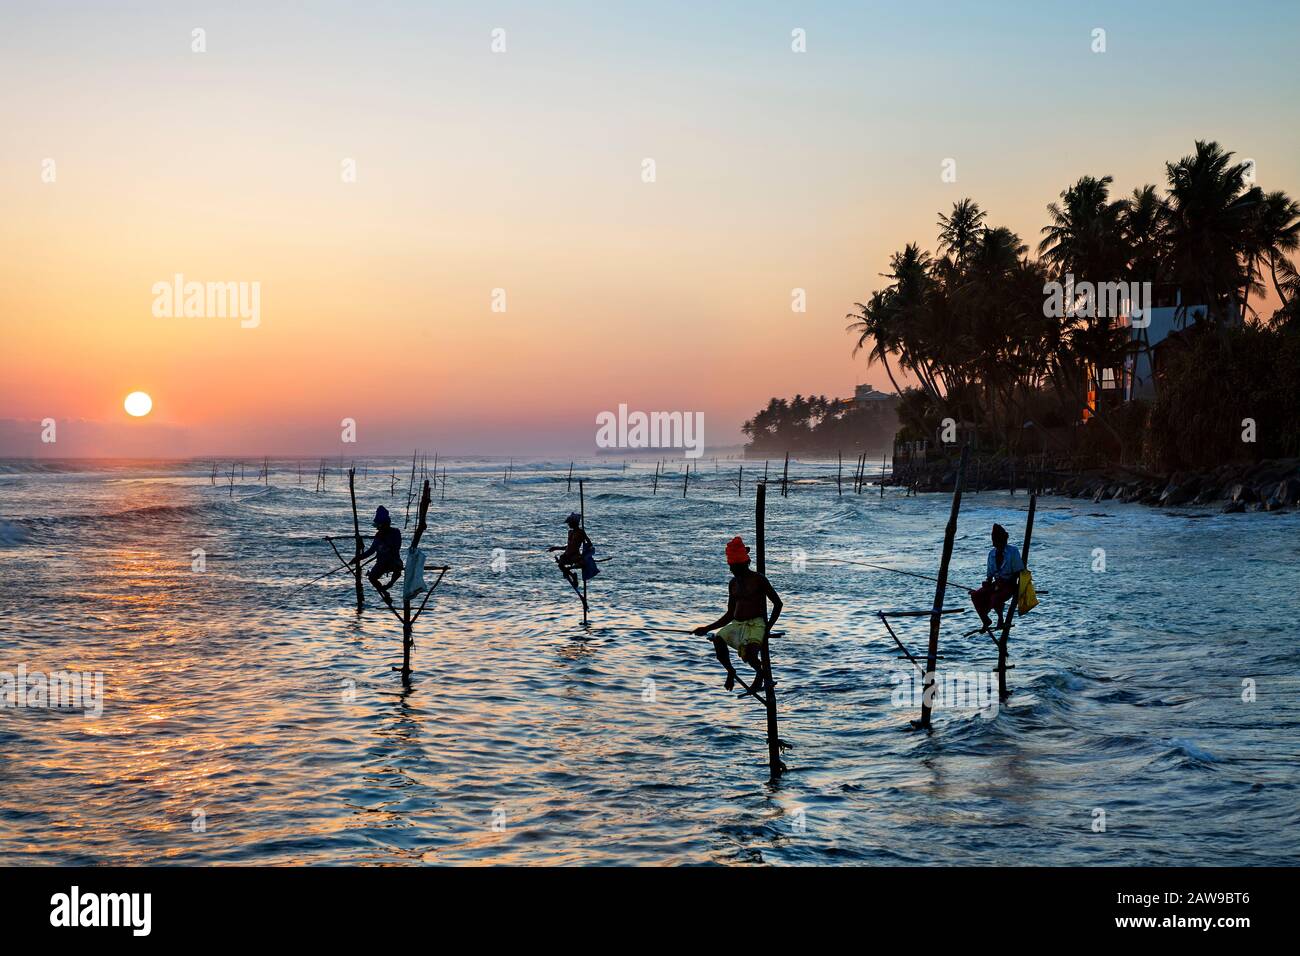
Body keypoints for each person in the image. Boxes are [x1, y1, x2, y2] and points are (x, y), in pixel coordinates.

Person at [693, 536, 783, 693]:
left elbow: (778, 604)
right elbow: (729, 614)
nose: (730, 570)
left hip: (757, 624)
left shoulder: (758, 579)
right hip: (737, 624)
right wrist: (706, 628)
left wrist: (768, 627)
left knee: (750, 654)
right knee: (718, 640)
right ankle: (731, 671)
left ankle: (761, 677)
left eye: (733, 567)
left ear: (742, 564)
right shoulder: (733, 584)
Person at [971, 522, 1022, 631]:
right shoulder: (991, 554)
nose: (998, 544)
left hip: (1010, 585)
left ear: (1005, 540)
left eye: (1001, 541)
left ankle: (1000, 619)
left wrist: (1005, 583)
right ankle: (986, 620)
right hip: (997, 585)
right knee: (975, 595)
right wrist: (986, 584)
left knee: (995, 597)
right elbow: (990, 576)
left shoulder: (1013, 551)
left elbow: (1018, 572)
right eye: (996, 541)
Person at [353, 505, 403, 601]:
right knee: (372, 578)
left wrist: (387, 548)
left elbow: (397, 547)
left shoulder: (395, 532)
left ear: (384, 524)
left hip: (393, 560)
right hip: (381, 562)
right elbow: (371, 551)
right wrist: (357, 558)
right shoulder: (379, 535)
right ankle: (385, 593)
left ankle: (390, 584)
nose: (377, 528)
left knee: (398, 568)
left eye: (379, 525)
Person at [548, 512, 592, 591]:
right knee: (561, 565)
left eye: (570, 523)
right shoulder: (570, 532)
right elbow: (568, 546)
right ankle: (572, 575)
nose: (568, 524)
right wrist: (556, 548)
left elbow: (589, 543)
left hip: (575, 555)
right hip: (567, 555)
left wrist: (586, 552)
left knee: (580, 564)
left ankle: (570, 573)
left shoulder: (581, 532)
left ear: (574, 523)